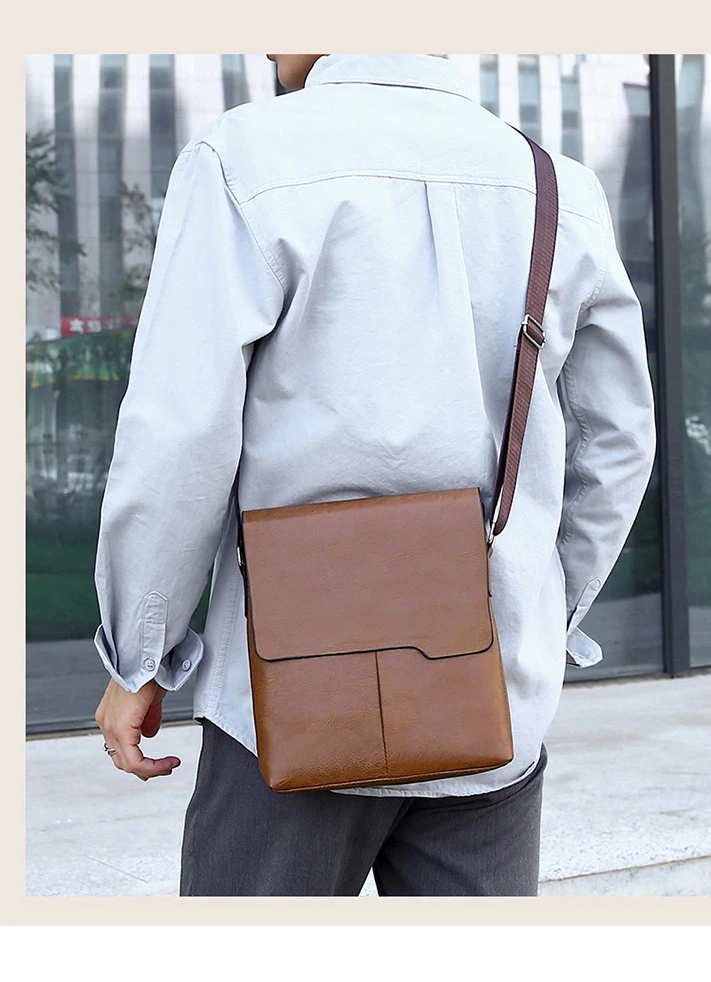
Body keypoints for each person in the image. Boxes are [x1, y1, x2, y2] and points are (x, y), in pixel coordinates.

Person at [92, 54, 657, 897]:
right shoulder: (556, 186)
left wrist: (142, 651)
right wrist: (530, 607)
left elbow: (180, 434)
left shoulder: (244, 157)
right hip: (493, 704)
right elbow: (617, 440)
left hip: (287, 700)